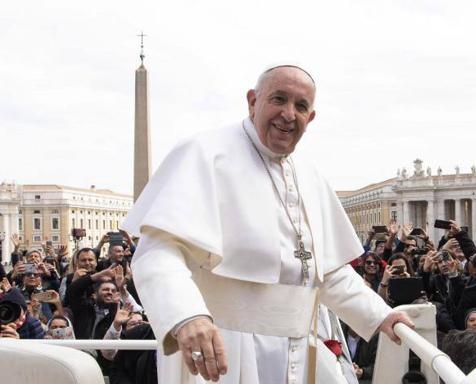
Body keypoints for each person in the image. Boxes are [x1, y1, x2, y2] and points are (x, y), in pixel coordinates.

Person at [122, 65, 413, 384]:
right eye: (279, 99)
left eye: (301, 106)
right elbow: (156, 254)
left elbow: (328, 272)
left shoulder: (310, 175)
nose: (289, 114)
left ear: (310, 118)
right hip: (225, 347)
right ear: (252, 101)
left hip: (299, 350)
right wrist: (187, 315)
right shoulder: (205, 152)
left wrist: (381, 314)